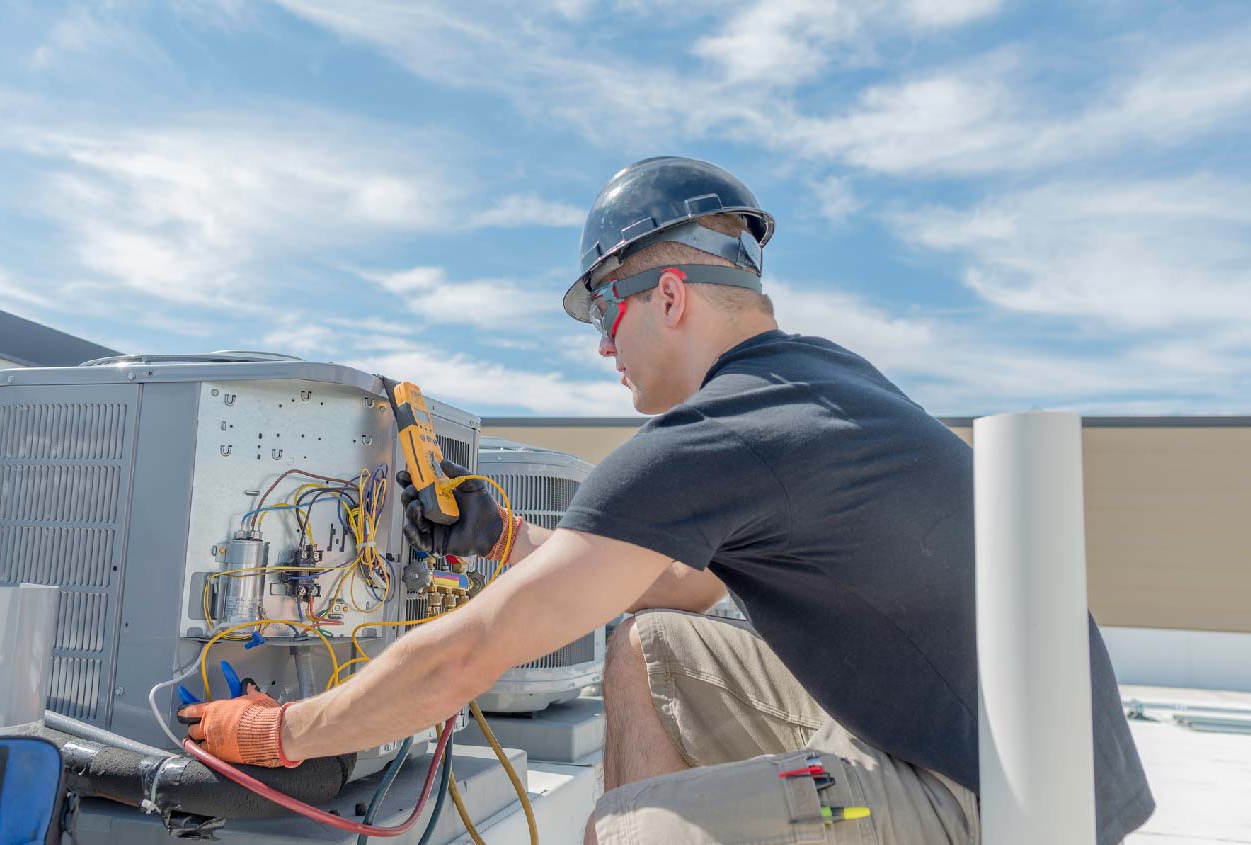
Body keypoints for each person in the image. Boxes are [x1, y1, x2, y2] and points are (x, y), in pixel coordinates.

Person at [181, 156, 1154, 843]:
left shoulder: (721, 432)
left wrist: (279, 730)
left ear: (672, 295)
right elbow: (677, 594)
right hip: (1036, 762)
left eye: (606, 308)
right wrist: (508, 536)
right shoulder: (819, 383)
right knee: (647, 642)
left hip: (999, 809)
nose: (603, 344)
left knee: (629, 826)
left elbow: (468, 656)